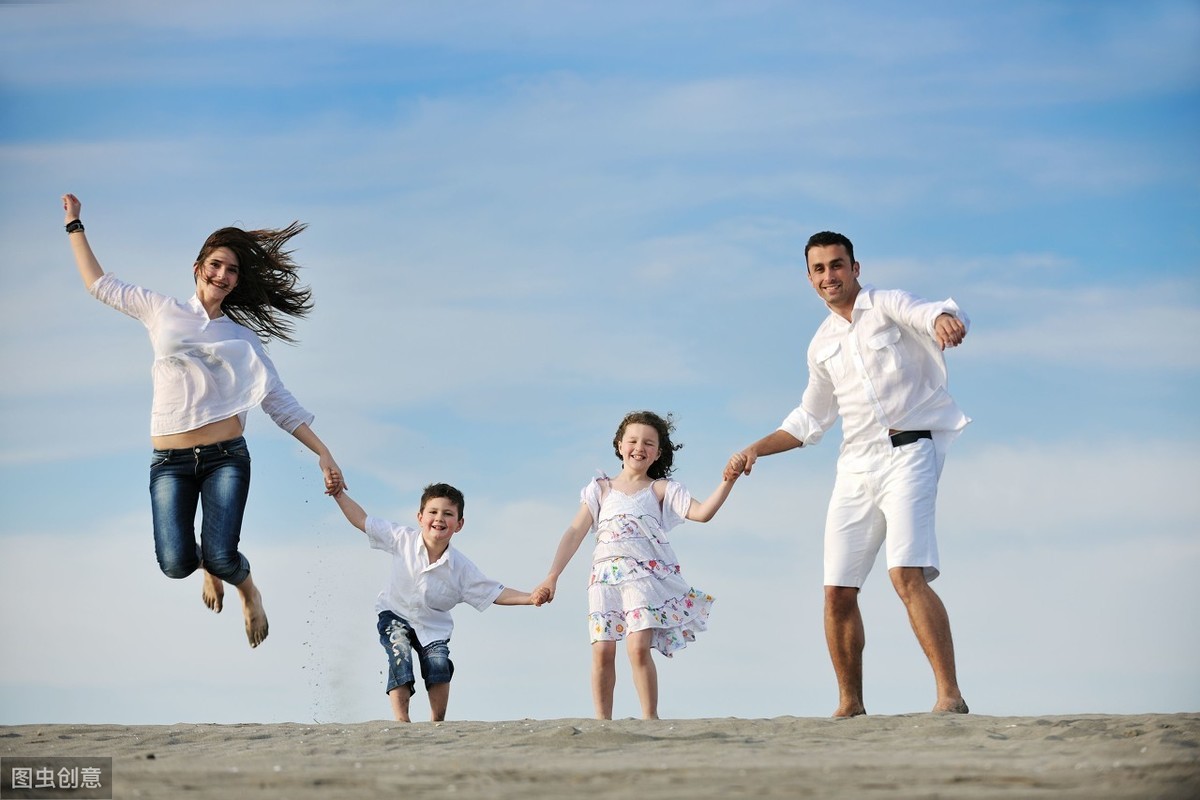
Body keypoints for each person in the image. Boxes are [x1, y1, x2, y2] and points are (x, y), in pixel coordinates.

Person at [62, 193, 343, 649]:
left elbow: (279, 403)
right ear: (198, 267)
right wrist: (75, 225)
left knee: (223, 554)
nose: (222, 275)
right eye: (215, 265)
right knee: (174, 563)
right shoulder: (161, 310)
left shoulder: (243, 338)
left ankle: (247, 589)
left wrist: (324, 452)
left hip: (225, 457)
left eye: (231, 270)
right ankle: (209, 569)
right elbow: (99, 284)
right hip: (169, 460)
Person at [725, 231, 970, 717]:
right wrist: (756, 447)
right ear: (810, 279)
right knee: (837, 591)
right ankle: (849, 705)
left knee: (906, 574)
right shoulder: (820, 346)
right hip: (855, 467)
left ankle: (949, 695)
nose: (829, 276)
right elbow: (808, 421)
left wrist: (945, 319)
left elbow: (930, 312)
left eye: (837, 265)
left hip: (909, 452)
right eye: (818, 269)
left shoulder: (887, 304)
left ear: (855, 268)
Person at [532, 411, 745, 720]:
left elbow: (702, 513)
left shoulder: (661, 489)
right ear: (620, 445)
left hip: (642, 579)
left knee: (636, 647)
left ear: (657, 452)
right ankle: (603, 722)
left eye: (648, 443)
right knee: (602, 651)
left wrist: (727, 481)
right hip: (604, 579)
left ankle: (650, 718)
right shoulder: (600, 489)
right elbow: (575, 532)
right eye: (632, 440)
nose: (639, 447)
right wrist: (552, 576)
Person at [330, 482, 542, 722]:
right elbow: (363, 521)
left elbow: (494, 592)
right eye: (433, 512)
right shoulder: (402, 539)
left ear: (459, 524)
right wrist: (339, 495)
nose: (439, 518)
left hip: (433, 626)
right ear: (420, 517)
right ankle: (402, 722)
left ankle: (437, 722)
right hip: (394, 613)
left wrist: (530, 597)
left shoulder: (461, 568)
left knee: (438, 665)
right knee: (400, 653)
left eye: (448, 514)